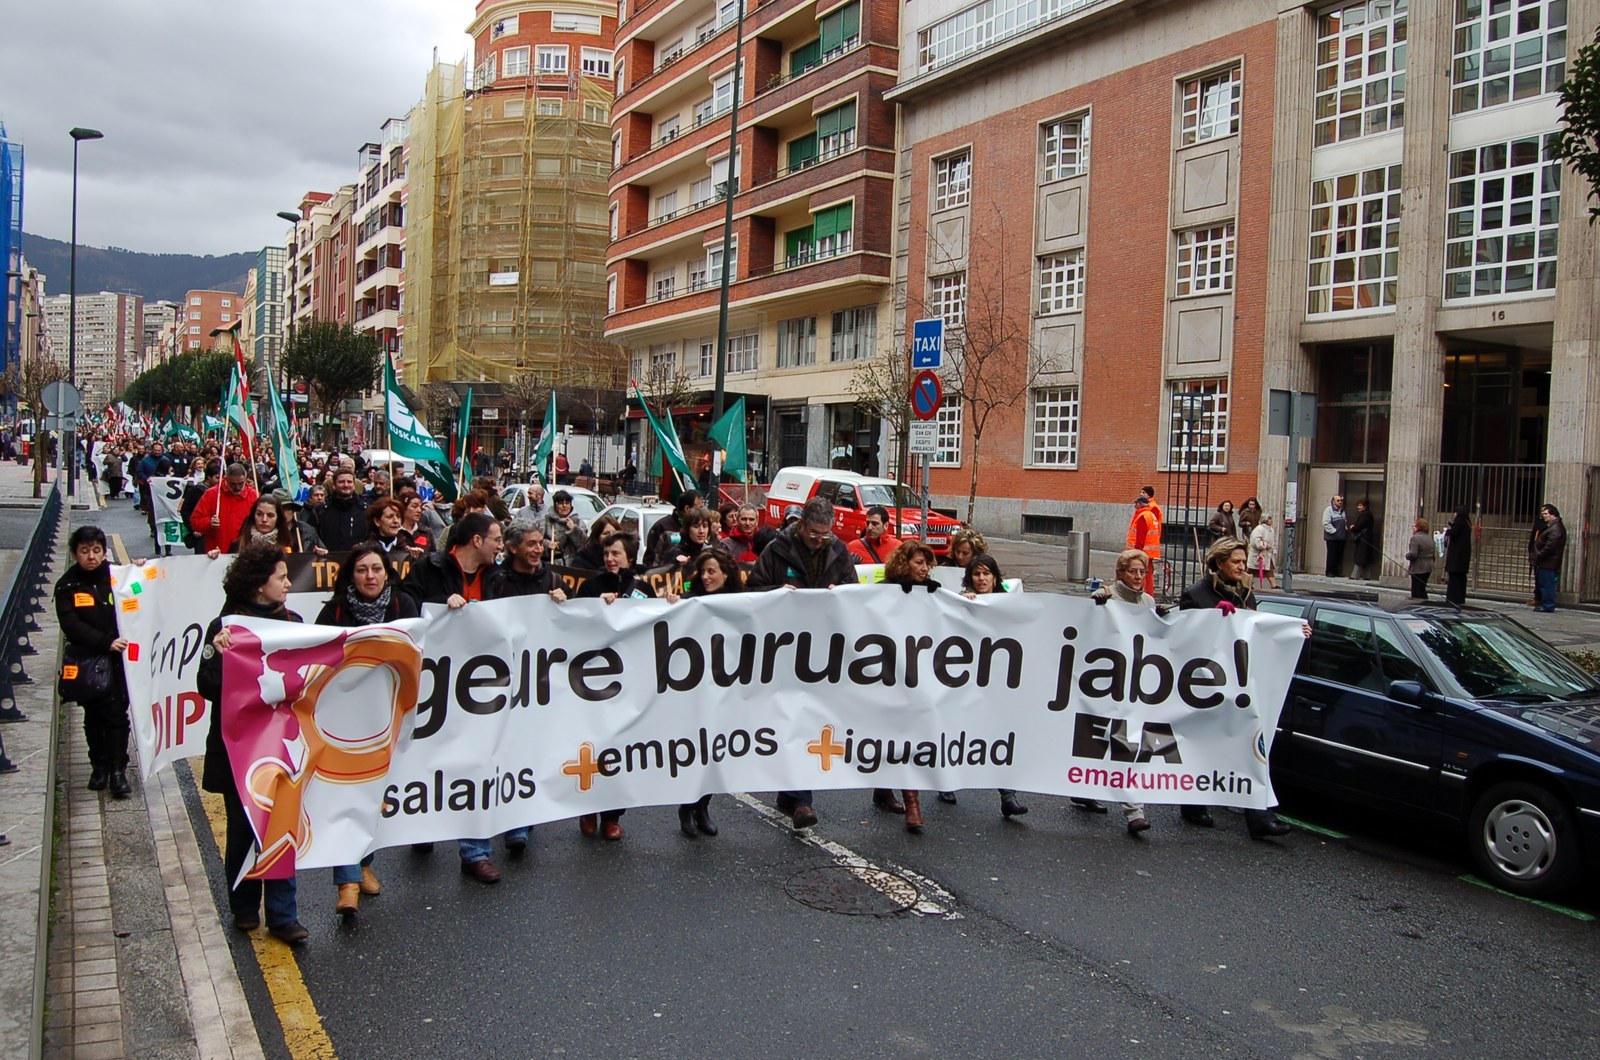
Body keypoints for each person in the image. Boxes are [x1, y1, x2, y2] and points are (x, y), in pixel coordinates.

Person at [197, 543, 310, 943]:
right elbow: (207, 685)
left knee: (280, 827)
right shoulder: (225, 625)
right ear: (259, 586)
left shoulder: (294, 622)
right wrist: (220, 654)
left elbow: (307, 679)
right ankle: (244, 906)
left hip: (282, 747)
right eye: (280, 577)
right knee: (244, 829)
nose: (287, 583)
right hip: (239, 749)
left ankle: (283, 915)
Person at [312, 544, 420, 917]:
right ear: (351, 575)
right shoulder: (335, 610)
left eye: (376, 569)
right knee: (345, 795)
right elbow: (319, 653)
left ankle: (364, 863)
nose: (370, 576)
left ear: (387, 573)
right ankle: (346, 883)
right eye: (362, 570)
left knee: (374, 795)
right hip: (343, 718)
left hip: (387, 715)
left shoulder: (403, 606)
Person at [399, 513, 507, 883]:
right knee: (427, 756)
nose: (500, 545)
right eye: (495, 538)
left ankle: (475, 852)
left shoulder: (496, 577)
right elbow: (405, 605)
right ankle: (423, 825)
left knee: (478, 762)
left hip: (480, 688)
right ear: (476, 541)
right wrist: (441, 607)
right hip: (435, 682)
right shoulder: (429, 569)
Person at [747, 497, 859, 830]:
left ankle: (792, 794)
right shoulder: (777, 549)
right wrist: (777, 592)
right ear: (802, 524)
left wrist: (841, 593)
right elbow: (752, 590)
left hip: (823, 651)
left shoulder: (837, 551)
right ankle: (801, 800)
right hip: (782, 650)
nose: (819, 539)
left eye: (825, 534)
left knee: (809, 720)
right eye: (813, 532)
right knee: (791, 719)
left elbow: (855, 594)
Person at [1177, 537, 1293, 840]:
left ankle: (1259, 816)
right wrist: (1215, 618)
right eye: (1236, 562)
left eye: (1244, 562)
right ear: (1218, 563)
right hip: (1207, 685)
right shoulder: (1195, 594)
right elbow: (1182, 638)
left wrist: (1293, 631)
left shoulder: (1247, 593)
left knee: (1253, 746)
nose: (1243, 567)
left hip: (1241, 683)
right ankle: (1192, 804)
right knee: (1202, 744)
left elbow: (1257, 631)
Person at [574, 532, 662, 840]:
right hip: (594, 678)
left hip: (630, 680)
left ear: (630, 558)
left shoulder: (644, 589)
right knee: (592, 745)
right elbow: (572, 624)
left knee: (620, 749)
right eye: (607, 553)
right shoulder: (591, 586)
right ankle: (587, 809)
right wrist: (596, 607)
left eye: (616, 554)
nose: (610, 558)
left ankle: (612, 815)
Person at [1086, 550, 1165, 834]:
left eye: (1142, 572)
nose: (1138, 577)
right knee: (1103, 739)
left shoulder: (1148, 602)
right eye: (1132, 571)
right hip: (1107, 683)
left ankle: (1134, 812)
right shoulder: (1107, 597)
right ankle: (1086, 791)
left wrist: (1161, 620)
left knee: (1126, 743)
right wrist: (1095, 605)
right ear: (1120, 573)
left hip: (1136, 686)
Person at [54, 526, 134, 798]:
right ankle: (98, 765)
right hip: (88, 661)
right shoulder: (67, 585)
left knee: (116, 715)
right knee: (94, 716)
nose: (91, 556)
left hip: (117, 659)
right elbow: (71, 625)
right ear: (75, 553)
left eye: (96, 550)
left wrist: (140, 572)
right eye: (85, 551)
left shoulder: (118, 576)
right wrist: (103, 642)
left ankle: (117, 769)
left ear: (104, 552)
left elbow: (141, 592)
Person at [952, 553, 1030, 821]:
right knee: (959, 732)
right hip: (966, 680)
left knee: (1000, 735)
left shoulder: (1008, 604)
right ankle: (947, 783)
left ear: (996, 577)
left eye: (986, 574)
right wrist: (964, 604)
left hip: (999, 680)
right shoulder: (958, 601)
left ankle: (1008, 796)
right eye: (977, 574)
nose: (982, 579)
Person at [673, 547, 744, 838]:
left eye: (711, 571)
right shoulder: (691, 602)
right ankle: (686, 806)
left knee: (717, 751)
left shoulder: (740, 603)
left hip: (725, 686)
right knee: (696, 748)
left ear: (726, 574)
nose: (706, 577)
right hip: (695, 687)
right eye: (702, 572)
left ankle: (703, 805)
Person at [878, 540, 941, 832]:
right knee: (892, 733)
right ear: (905, 564)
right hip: (889, 674)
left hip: (919, 675)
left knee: (911, 734)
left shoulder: (933, 592)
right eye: (919, 563)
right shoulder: (886, 590)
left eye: (927, 563)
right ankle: (897, 795)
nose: (925, 568)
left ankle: (903, 797)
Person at [190, 463, 259, 555]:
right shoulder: (212, 494)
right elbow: (195, 520)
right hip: (217, 551)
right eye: (233, 484)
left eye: (241, 483)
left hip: (245, 551)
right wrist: (209, 523)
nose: (237, 487)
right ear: (225, 479)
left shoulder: (253, 495)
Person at [491, 524, 569, 603]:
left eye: (541, 543)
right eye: (531, 544)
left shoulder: (554, 581)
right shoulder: (496, 581)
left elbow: (573, 610)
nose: (539, 550)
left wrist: (564, 603)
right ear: (513, 548)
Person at [309, 468, 370, 552]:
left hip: (358, 561)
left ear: (354, 485)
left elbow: (373, 539)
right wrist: (317, 548)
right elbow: (310, 538)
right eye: (341, 482)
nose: (346, 485)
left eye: (349, 482)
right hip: (328, 561)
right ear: (334, 485)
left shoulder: (366, 511)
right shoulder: (320, 511)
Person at [181, 460, 222, 553]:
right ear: (208, 477)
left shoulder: (221, 492)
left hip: (217, 533)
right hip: (201, 534)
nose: (220, 481)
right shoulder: (194, 490)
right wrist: (193, 529)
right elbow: (185, 511)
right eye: (217, 478)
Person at [1532, 503, 1566, 613]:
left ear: (1553, 515)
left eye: (1546, 514)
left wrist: (1539, 554)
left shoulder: (1556, 529)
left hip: (1548, 562)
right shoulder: (1552, 526)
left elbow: (1550, 546)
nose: (1544, 516)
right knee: (1544, 584)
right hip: (1546, 561)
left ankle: (1548, 605)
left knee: (1547, 585)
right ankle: (1546, 604)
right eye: (1543, 514)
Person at [1126, 494, 1162, 596]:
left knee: (1142, 575)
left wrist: (1137, 553)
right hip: (1149, 552)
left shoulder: (1143, 516)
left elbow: (1140, 537)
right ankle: (1149, 594)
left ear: (1141, 504)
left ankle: (1144, 594)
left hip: (1142, 552)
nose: (1134, 506)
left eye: (1136, 503)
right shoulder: (1150, 515)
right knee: (1148, 574)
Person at [541, 490, 589, 565]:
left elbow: (585, 546)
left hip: (572, 566)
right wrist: (547, 544)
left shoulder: (578, 522)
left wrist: (573, 529)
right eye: (560, 503)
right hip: (551, 564)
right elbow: (536, 541)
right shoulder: (546, 520)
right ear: (555, 505)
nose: (564, 506)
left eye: (567, 503)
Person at [1442, 505, 1472, 608]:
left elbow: (1454, 532)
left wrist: (1448, 531)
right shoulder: (1467, 522)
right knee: (1461, 578)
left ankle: (1452, 598)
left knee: (1454, 579)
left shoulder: (1459, 520)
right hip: (1463, 556)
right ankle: (1460, 598)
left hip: (1456, 556)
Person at [1404, 518, 1434, 600]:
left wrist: (1407, 556)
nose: (1413, 528)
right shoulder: (1429, 537)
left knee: (1416, 590)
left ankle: (1417, 606)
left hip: (1418, 567)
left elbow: (1413, 554)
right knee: (1422, 588)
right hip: (1428, 567)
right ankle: (1425, 604)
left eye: (1414, 526)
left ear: (1418, 527)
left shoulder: (1415, 538)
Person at [1349, 499, 1378, 581]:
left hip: (1363, 538)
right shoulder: (1368, 514)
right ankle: (1366, 575)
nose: (1358, 507)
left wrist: (1353, 527)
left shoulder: (1365, 515)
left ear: (1365, 506)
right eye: (1358, 505)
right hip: (1367, 537)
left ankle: (1355, 575)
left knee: (1360, 556)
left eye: (1360, 505)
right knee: (1365, 557)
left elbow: (1359, 526)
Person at [1247, 514, 1278, 590]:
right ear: (1266, 520)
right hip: (1258, 554)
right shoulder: (1259, 529)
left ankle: (1273, 584)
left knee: (1269, 569)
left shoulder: (1271, 529)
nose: (1272, 521)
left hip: (1267, 554)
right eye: (1270, 519)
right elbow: (1255, 541)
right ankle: (1248, 584)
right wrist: (1265, 545)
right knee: (1251, 571)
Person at [1322, 495, 1348, 577]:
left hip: (1341, 537)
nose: (1340, 502)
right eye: (1338, 500)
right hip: (1332, 538)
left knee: (1338, 555)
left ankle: (1336, 571)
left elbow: (1345, 522)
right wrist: (1334, 531)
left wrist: (1345, 530)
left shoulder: (1342, 511)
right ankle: (1329, 571)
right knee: (1332, 555)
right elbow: (1326, 523)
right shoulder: (1328, 510)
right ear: (1333, 501)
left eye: (1341, 500)